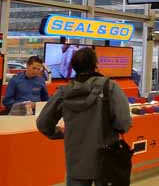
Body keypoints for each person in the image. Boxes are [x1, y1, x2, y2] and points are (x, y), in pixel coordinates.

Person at [37, 47, 131, 186]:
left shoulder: (63, 92)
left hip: (76, 162)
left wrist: (59, 132)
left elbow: (43, 124)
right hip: (107, 159)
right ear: (96, 65)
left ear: (74, 67)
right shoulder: (109, 87)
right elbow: (123, 123)